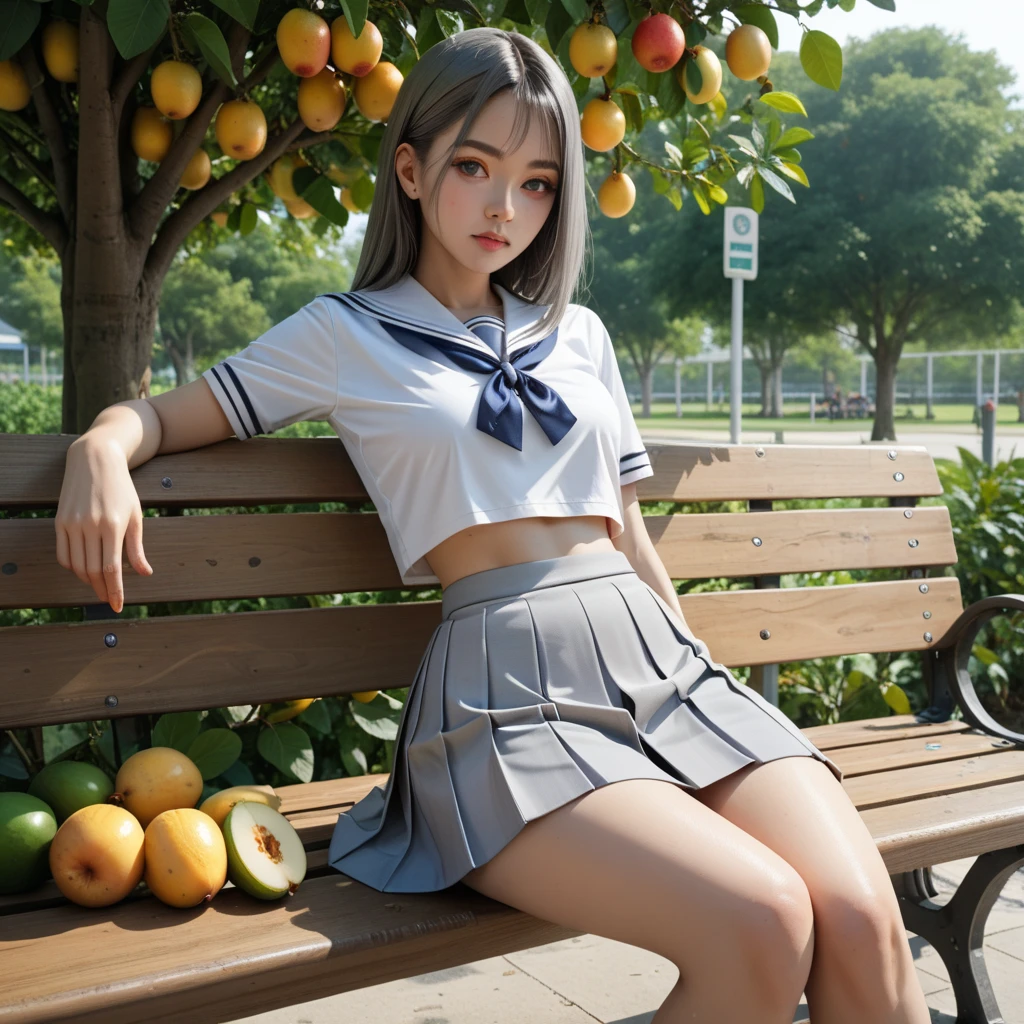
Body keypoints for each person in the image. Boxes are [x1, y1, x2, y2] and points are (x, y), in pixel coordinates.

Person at [54, 27, 931, 1024]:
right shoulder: (346, 333)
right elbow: (168, 412)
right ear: (413, 170)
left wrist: (694, 676)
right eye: (475, 166)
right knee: (763, 920)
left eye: (538, 180)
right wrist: (99, 450)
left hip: (659, 667)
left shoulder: (580, 334)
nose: (505, 206)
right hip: (505, 702)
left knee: (860, 919)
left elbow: (627, 531)